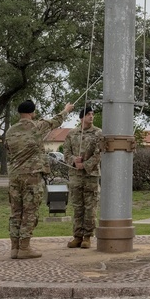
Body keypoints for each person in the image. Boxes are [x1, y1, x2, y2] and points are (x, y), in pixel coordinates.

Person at [6, 99, 73, 259]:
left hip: (14, 176)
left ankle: (14, 248)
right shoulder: (36, 127)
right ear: (32, 112)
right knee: (30, 211)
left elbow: (8, 152)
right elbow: (55, 121)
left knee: (16, 212)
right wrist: (66, 110)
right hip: (32, 175)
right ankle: (25, 247)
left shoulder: (10, 131)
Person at [64, 105, 103, 249]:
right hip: (75, 176)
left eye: (92, 114)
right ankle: (77, 236)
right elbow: (66, 153)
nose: (91, 117)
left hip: (90, 175)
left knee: (90, 207)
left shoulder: (98, 133)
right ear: (81, 118)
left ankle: (87, 236)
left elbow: (99, 153)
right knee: (77, 207)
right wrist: (74, 160)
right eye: (88, 114)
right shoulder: (72, 134)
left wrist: (86, 165)